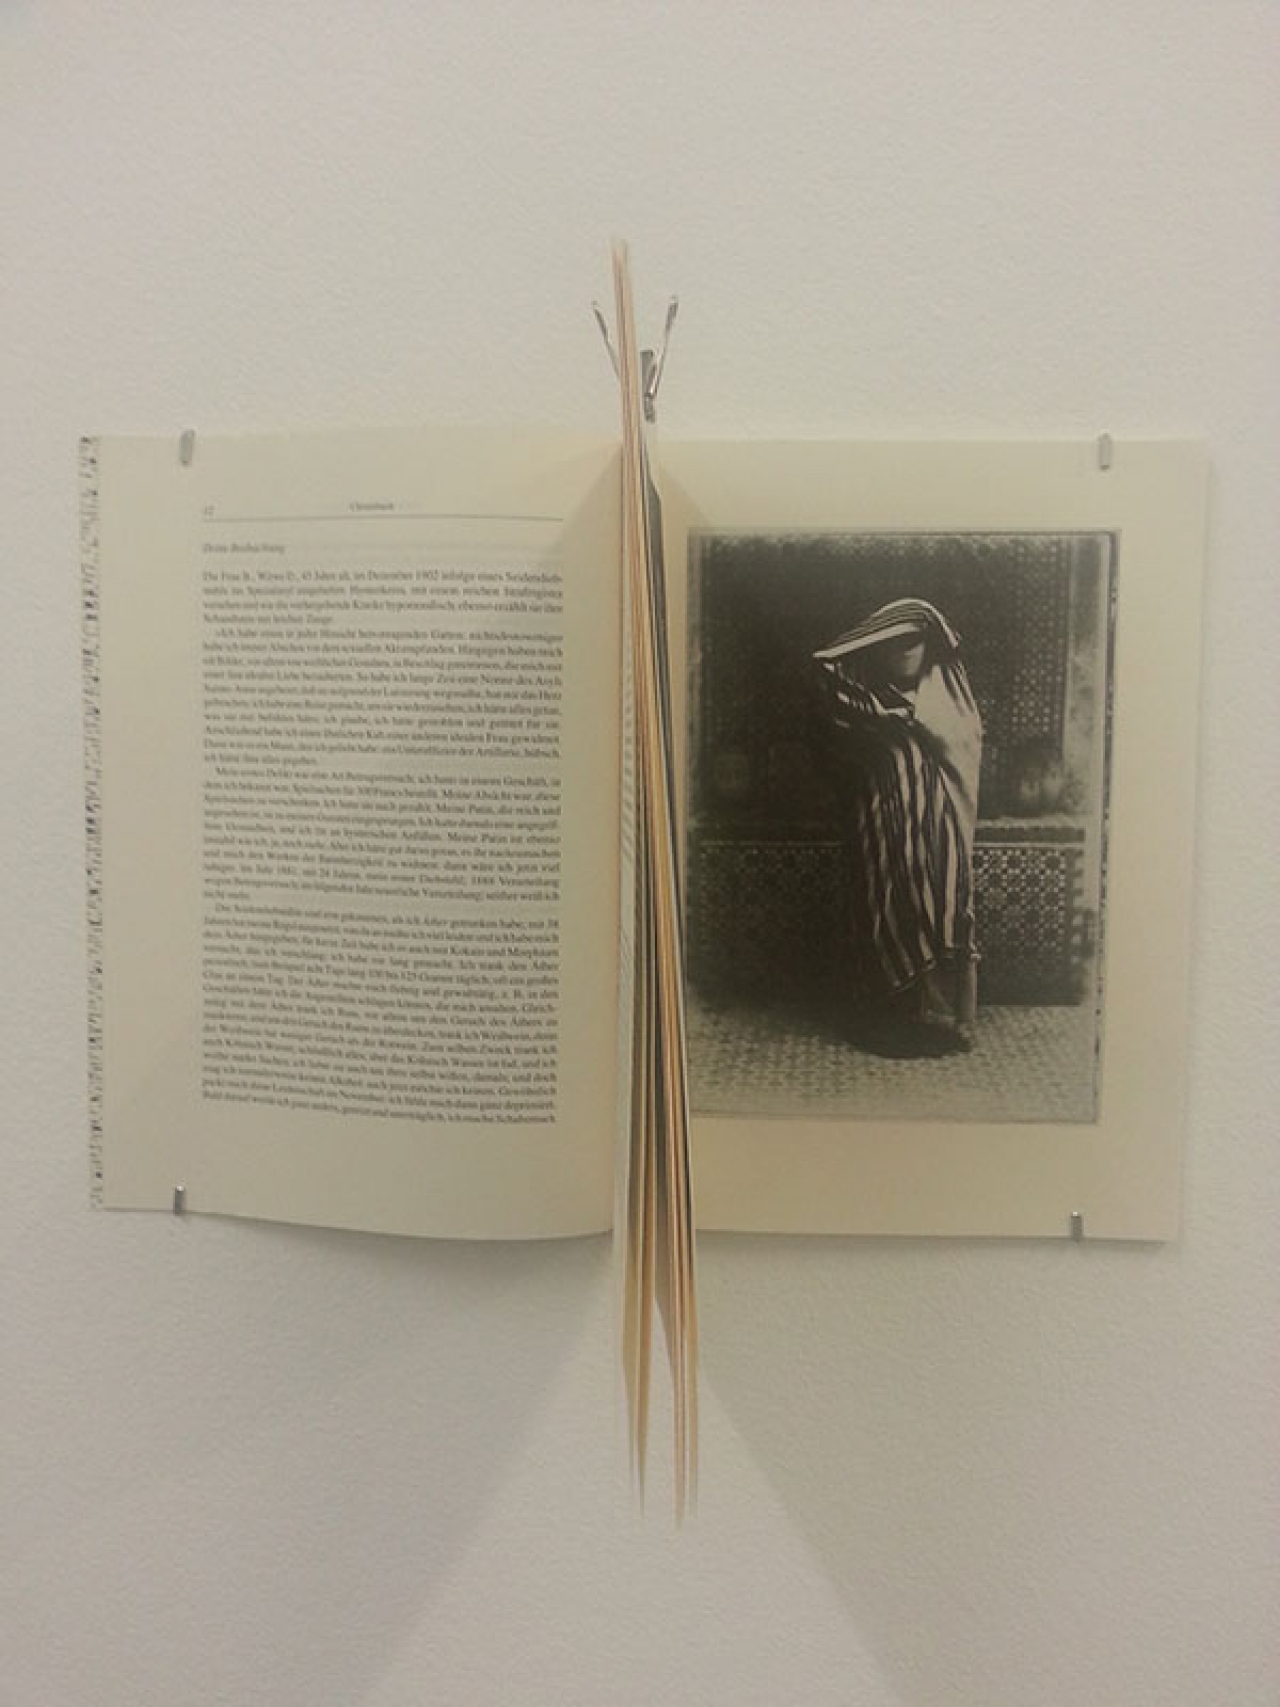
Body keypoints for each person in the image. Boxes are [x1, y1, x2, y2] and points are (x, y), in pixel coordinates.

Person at [813, 598, 983, 1055]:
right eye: (892, 645)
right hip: (883, 828)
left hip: (940, 826)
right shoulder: (864, 702)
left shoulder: (949, 703)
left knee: (941, 904)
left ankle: (942, 1018)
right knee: (888, 907)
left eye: (913, 643)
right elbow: (825, 673)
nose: (904, 654)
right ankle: (893, 1015)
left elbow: (962, 759)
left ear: (929, 648)